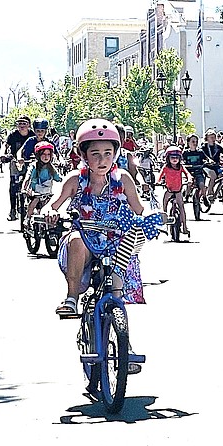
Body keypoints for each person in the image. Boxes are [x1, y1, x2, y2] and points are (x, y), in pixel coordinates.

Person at [44, 119, 147, 317]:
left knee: (117, 285)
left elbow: (139, 209)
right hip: (85, 239)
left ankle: (122, 334)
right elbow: (53, 203)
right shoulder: (75, 179)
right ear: (83, 156)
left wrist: (153, 216)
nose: (102, 160)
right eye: (95, 154)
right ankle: (71, 298)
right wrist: (50, 211)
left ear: (115, 154)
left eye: (108, 153)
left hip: (116, 241)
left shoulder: (123, 178)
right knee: (75, 239)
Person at [23, 141, 62, 224]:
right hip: (36, 193)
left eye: (48, 154)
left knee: (51, 206)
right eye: (43, 154)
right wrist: (24, 188)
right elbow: (27, 178)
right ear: (38, 155)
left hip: (47, 193)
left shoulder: (51, 167)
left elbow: (58, 178)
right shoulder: (34, 166)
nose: (46, 157)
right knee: (34, 202)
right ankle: (28, 218)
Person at [4, 115, 35, 221]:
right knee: (13, 184)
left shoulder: (33, 135)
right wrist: (3, 155)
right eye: (19, 124)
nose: (22, 126)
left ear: (29, 125)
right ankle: (12, 209)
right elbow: (6, 146)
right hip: (15, 162)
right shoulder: (13, 135)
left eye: (24, 124)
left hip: (31, 162)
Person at [157, 146, 190, 236]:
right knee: (164, 203)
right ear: (168, 158)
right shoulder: (166, 167)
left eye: (177, 157)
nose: (175, 159)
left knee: (181, 207)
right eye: (172, 157)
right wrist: (158, 182)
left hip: (178, 190)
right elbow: (160, 176)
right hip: (169, 189)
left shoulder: (181, 167)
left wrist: (189, 179)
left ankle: (184, 226)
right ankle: (163, 223)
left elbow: (187, 174)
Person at [182, 134, 213, 208]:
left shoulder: (200, 152)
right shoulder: (185, 153)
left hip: (198, 171)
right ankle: (186, 196)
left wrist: (209, 161)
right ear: (188, 143)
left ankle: (205, 198)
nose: (195, 143)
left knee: (202, 184)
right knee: (189, 184)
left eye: (196, 141)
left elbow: (207, 158)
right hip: (189, 172)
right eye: (193, 141)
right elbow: (181, 160)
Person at [202, 128, 223, 200]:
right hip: (207, 166)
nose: (213, 138)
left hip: (216, 166)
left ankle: (216, 194)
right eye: (211, 137)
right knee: (213, 176)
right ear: (207, 138)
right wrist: (207, 160)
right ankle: (209, 192)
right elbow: (201, 156)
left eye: (214, 137)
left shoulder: (218, 146)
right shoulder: (204, 147)